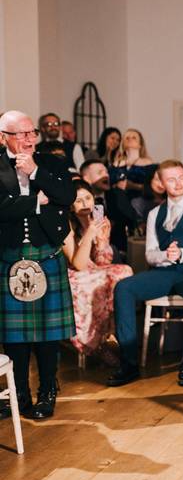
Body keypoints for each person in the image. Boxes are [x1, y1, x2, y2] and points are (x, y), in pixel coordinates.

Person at [108, 160, 183, 388]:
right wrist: (165, 256)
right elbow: (150, 254)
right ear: (161, 182)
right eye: (171, 179)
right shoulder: (155, 213)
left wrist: (182, 255)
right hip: (164, 272)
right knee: (123, 288)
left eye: (181, 177)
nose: (178, 183)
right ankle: (129, 363)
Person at [0, 111, 76, 421]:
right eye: (22, 134)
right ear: (3, 137)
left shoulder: (52, 163)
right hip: (9, 256)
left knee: (48, 334)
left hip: (47, 254)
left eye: (33, 133)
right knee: (14, 337)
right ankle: (19, 393)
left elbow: (67, 196)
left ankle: (47, 390)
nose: (30, 139)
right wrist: (37, 202)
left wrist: (35, 173)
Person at [63, 181, 133, 363]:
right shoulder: (65, 225)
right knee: (119, 273)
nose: (85, 204)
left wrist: (102, 241)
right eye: (79, 201)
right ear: (71, 205)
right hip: (72, 277)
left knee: (123, 273)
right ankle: (100, 341)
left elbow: (102, 262)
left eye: (88, 198)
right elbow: (78, 264)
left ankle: (110, 334)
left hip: (94, 273)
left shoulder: (98, 221)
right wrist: (89, 234)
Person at [80, 159, 140, 254]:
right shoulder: (80, 200)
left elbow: (133, 220)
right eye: (100, 172)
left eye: (106, 172)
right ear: (86, 179)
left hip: (119, 249)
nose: (106, 175)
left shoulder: (117, 195)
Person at [114, 129, 157, 196]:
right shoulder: (117, 163)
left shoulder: (148, 163)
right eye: (127, 138)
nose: (130, 139)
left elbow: (151, 187)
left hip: (141, 200)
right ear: (122, 144)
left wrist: (134, 186)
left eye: (134, 137)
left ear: (140, 144)